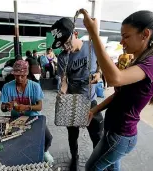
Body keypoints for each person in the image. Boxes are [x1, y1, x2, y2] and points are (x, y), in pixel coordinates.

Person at [78, 9, 153, 171]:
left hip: (121, 136)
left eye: (126, 36)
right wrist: (95, 109)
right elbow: (119, 95)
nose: (121, 42)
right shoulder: (139, 61)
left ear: (145, 34)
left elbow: (114, 79)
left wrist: (94, 34)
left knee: (91, 167)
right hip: (113, 131)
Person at [51, 17, 104, 171]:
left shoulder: (92, 47)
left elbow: (101, 63)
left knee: (97, 136)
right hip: (72, 102)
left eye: (67, 42)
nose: (66, 47)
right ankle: (75, 158)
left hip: (91, 101)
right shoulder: (62, 57)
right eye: (62, 45)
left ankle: (96, 161)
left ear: (75, 33)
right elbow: (64, 80)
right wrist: (62, 92)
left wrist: (99, 74)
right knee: (72, 135)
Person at [0, 60, 54, 163]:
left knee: (48, 137)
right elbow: (2, 108)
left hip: (34, 117)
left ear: (27, 74)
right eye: (16, 76)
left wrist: (27, 107)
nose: (19, 79)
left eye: (22, 76)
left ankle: (45, 151)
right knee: (17, 141)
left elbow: (39, 107)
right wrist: (7, 106)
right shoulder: (7, 87)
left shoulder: (35, 86)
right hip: (16, 119)